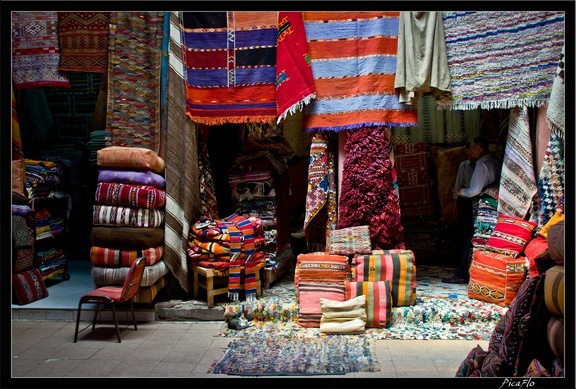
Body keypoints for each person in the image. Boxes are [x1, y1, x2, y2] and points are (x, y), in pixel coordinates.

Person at [442, 136, 501, 284]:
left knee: (468, 238)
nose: (470, 151)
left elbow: (474, 190)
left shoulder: (482, 165)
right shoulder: (493, 162)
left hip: (476, 204)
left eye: (473, 148)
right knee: (479, 238)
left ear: (480, 148)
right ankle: (474, 272)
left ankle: (462, 274)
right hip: (489, 206)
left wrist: (461, 192)